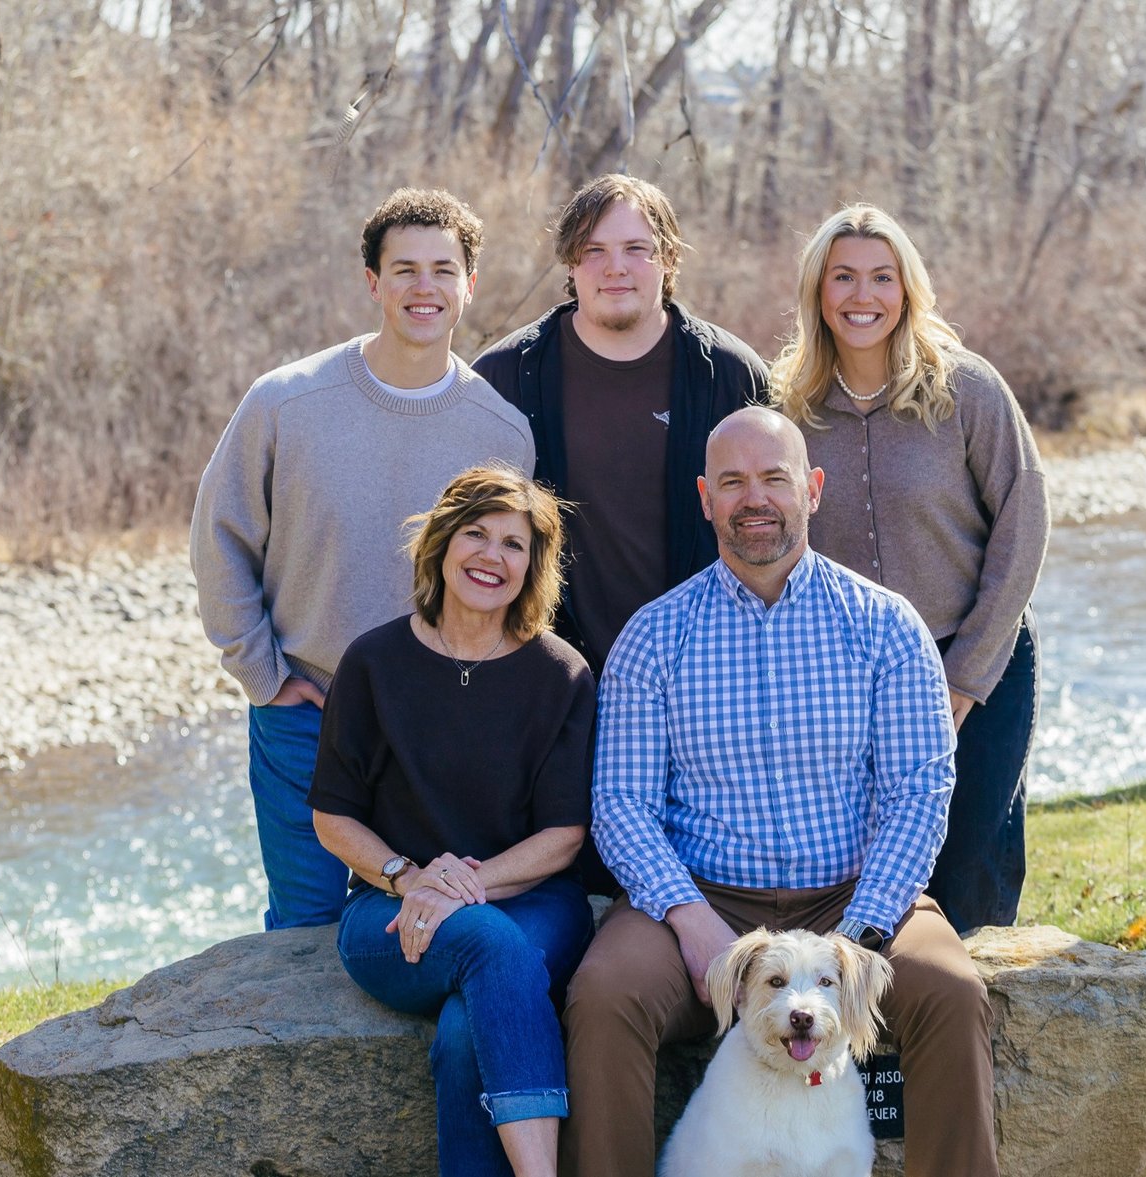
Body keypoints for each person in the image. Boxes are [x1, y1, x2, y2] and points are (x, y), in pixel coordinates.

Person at [564, 407, 998, 1177]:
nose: (753, 498)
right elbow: (621, 805)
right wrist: (689, 917)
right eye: (732, 482)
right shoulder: (654, 637)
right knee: (604, 997)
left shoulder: (885, 626)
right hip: (700, 899)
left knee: (951, 993)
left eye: (774, 478)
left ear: (813, 488)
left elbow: (921, 789)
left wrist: (856, 939)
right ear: (705, 498)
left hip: (855, 896)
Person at [190, 188, 534, 931]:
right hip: (304, 710)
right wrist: (262, 675)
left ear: (469, 285)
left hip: (439, 724)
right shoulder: (286, 401)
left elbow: (507, 579)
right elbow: (218, 537)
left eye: (443, 270)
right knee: (305, 929)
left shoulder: (500, 432)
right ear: (372, 281)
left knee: (431, 922)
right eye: (403, 268)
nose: (424, 287)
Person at [309, 465, 595, 1177]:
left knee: (471, 1024)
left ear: (534, 566)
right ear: (440, 543)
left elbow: (565, 833)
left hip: (534, 902)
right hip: (385, 908)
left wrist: (460, 885)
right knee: (491, 952)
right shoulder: (374, 662)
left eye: (514, 543)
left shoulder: (560, 673)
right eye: (476, 533)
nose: (492, 556)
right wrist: (409, 878)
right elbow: (333, 815)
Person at [771, 204, 1049, 933]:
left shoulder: (968, 391)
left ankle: (984, 1031)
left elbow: (1024, 524)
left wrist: (962, 680)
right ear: (818, 293)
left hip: (975, 662)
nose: (863, 296)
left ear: (907, 289)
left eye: (881, 277)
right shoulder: (790, 410)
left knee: (971, 861)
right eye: (844, 278)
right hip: (847, 676)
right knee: (863, 864)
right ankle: (878, 1039)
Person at [474, 173, 769, 676]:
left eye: (637, 249)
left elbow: (770, 525)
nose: (615, 268)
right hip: (549, 672)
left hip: (703, 669)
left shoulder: (727, 374)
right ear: (570, 260)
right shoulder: (505, 376)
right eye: (594, 250)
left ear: (669, 257)